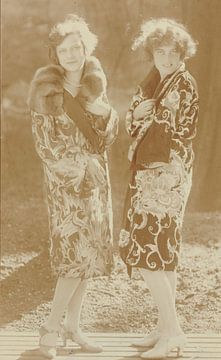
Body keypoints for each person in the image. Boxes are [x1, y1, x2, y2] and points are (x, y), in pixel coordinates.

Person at [27, 14, 118, 359]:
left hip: (97, 185)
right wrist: (81, 167)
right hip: (67, 187)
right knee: (72, 259)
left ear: (85, 48)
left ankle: (74, 327)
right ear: (56, 54)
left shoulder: (96, 84)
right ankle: (50, 328)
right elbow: (44, 146)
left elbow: (107, 138)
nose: (71, 54)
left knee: (89, 258)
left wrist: (106, 114)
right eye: (64, 49)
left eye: (76, 47)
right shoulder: (45, 90)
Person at [119, 18, 199, 359]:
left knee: (150, 250)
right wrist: (137, 111)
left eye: (173, 52)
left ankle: (174, 331)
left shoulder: (182, 84)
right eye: (160, 51)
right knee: (163, 254)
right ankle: (164, 327)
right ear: (151, 53)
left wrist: (142, 115)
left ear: (182, 53)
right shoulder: (155, 81)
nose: (166, 58)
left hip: (165, 175)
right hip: (151, 174)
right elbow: (130, 120)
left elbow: (172, 129)